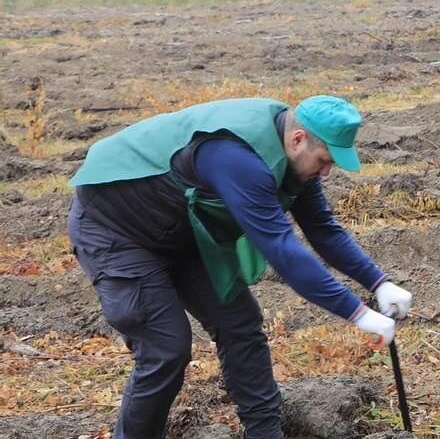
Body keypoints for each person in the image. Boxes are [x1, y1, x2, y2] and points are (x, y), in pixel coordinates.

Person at [67, 95, 413, 439]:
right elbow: (283, 251)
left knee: (239, 323)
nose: (326, 171)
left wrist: (378, 283)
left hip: (181, 232)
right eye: (325, 160)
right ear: (298, 140)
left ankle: (265, 433)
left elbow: (322, 229)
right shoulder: (237, 159)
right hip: (115, 230)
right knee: (166, 348)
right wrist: (358, 314)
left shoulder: (293, 159)